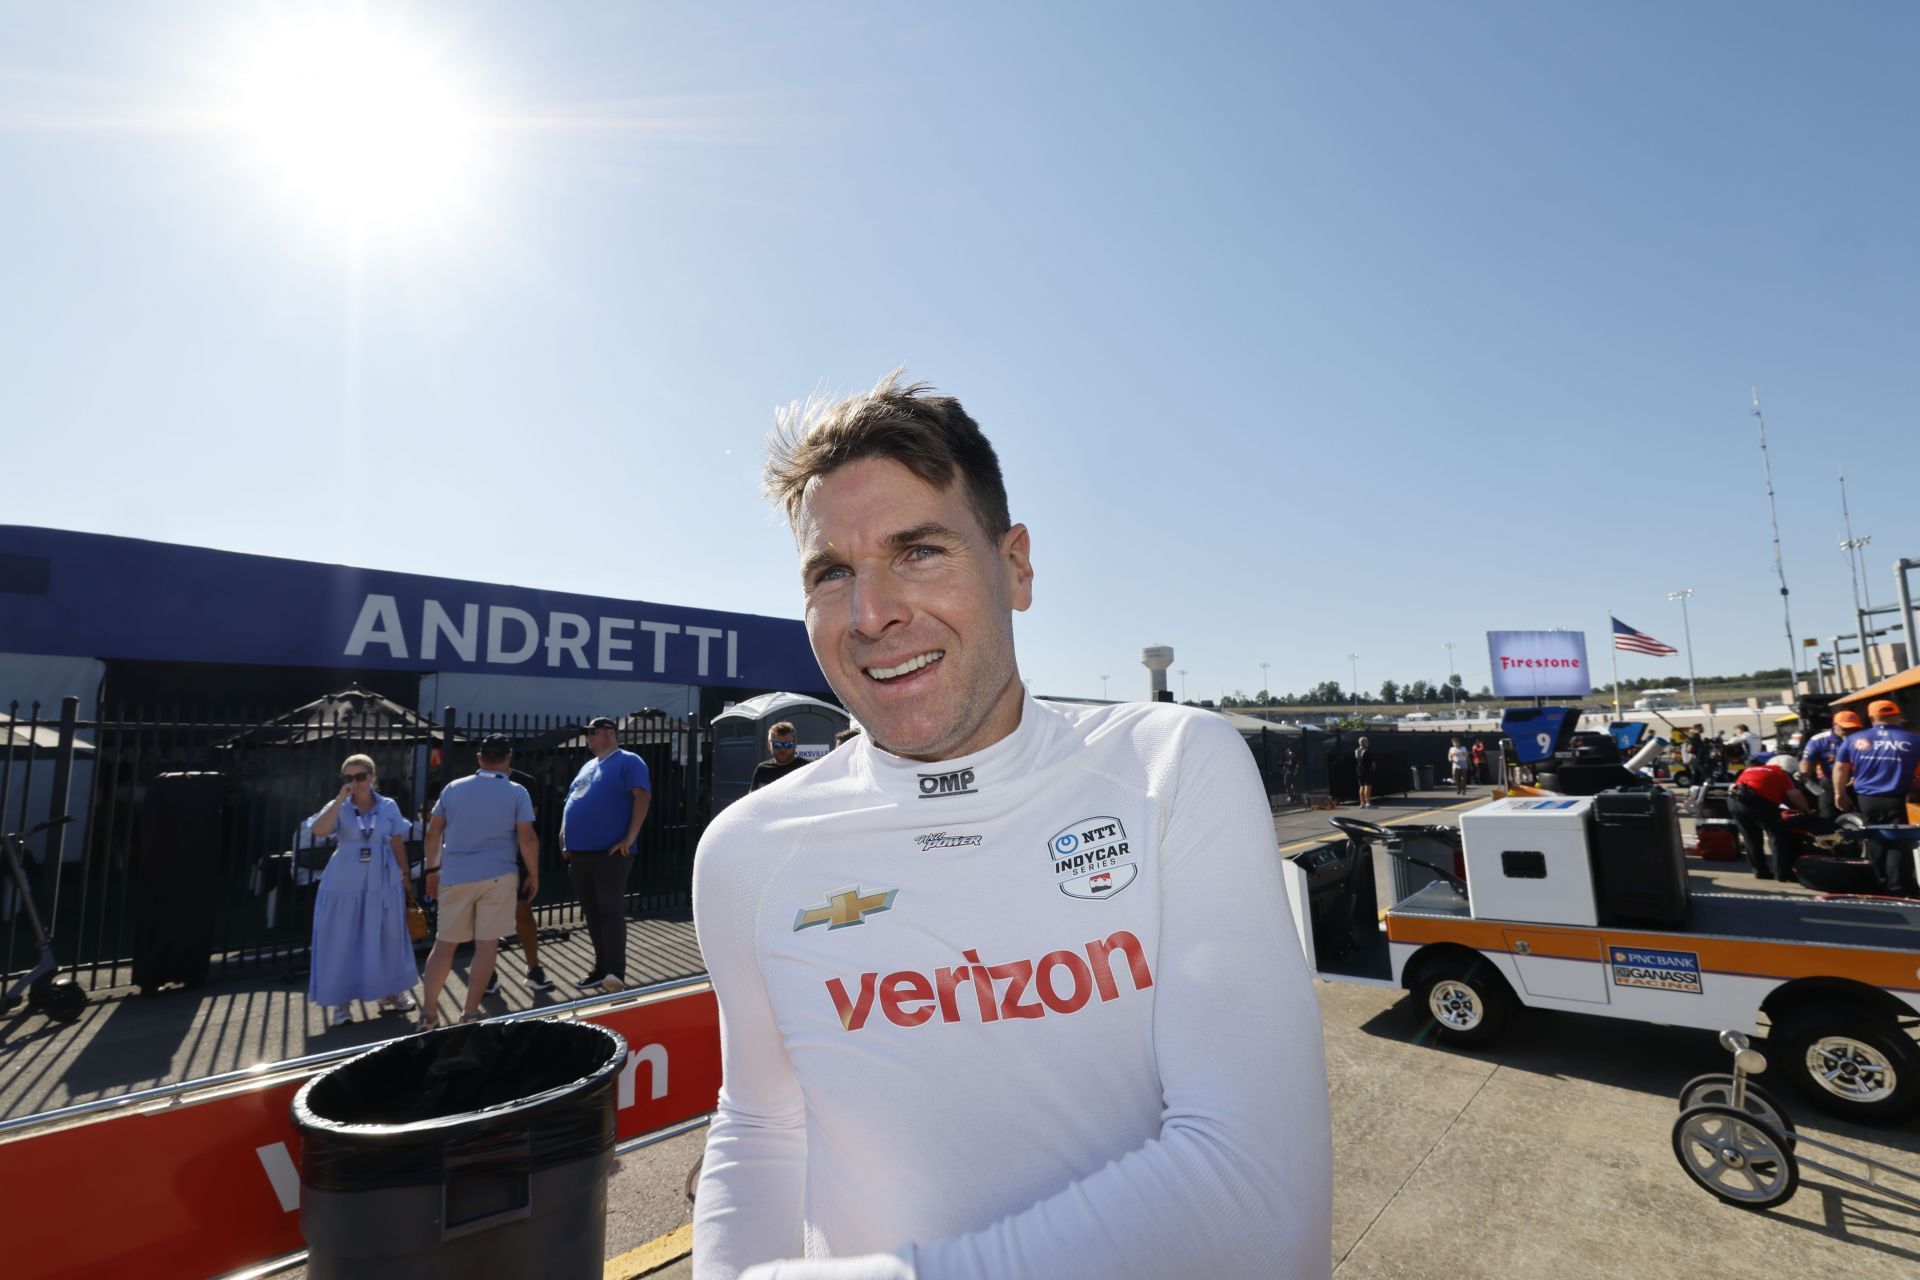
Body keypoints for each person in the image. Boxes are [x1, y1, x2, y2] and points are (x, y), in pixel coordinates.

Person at [690, 372, 1330, 1280]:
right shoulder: (749, 852)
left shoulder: (1171, 769)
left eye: (918, 551)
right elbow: (760, 1126)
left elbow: (1264, 1208)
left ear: (1017, 566)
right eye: (833, 573)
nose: (872, 616)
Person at [417, 735, 539, 1029]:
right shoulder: (517, 791)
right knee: (487, 945)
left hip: (456, 873)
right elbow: (526, 837)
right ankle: (470, 1013)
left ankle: (429, 1013)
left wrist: (432, 870)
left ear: (479, 757)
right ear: (508, 760)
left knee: (444, 945)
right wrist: (533, 873)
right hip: (499, 873)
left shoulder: (453, 789)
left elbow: (433, 834)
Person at [304, 754, 419, 1028]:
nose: (354, 782)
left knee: (387, 934)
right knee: (343, 938)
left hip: (382, 877)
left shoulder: (388, 806)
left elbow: (396, 840)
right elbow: (320, 831)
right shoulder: (338, 806)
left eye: (359, 777)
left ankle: (391, 991)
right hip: (346, 881)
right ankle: (341, 1004)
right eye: (348, 778)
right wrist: (340, 799)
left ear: (371, 777)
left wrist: (405, 875)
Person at [561, 716, 651, 993]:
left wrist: (629, 836)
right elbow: (572, 799)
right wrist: (564, 834)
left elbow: (642, 796)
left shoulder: (629, 760)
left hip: (610, 851)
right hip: (580, 852)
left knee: (609, 910)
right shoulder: (588, 765)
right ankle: (600, 969)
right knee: (591, 912)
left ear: (609, 733)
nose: (588, 737)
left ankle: (615, 972)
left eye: (593, 732)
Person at [1833, 700, 1920, 896]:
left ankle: (1881, 883)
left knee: (1875, 840)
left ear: (1871, 718)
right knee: (1898, 842)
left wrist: (1840, 793)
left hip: (1866, 798)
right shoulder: (1914, 740)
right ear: (1897, 716)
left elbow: (1840, 768)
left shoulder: (1854, 739)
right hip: (1899, 798)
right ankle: (1898, 886)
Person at [1727, 755, 1811, 881]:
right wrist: (1807, 811)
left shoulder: (1751, 769)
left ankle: (1760, 871)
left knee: (1751, 837)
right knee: (1777, 835)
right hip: (1758, 800)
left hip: (1733, 800)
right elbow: (1794, 795)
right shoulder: (1781, 773)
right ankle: (1782, 874)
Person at [1797, 710, 1862, 821]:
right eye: (1845, 728)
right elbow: (1807, 760)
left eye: (1853, 728)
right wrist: (1804, 773)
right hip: (1829, 784)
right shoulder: (1819, 740)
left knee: (1865, 817)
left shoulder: (1865, 738)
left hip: (1860, 783)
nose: (1850, 732)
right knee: (1828, 818)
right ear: (1834, 726)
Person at [749, 721, 811, 791]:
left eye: (788, 745)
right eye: (777, 745)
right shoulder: (762, 770)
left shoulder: (807, 767)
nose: (783, 749)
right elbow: (752, 799)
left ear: (795, 744)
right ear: (769, 746)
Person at [1355, 735, 1377, 808]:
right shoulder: (1367, 751)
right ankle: (1368, 803)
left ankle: (1362, 803)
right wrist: (1373, 769)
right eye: (1367, 742)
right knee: (1368, 786)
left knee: (1361, 786)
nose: (1368, 743)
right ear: (1363, 743)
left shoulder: (1356, 750)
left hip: (1359, 770)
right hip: (1367, 770)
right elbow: (1372, 762)